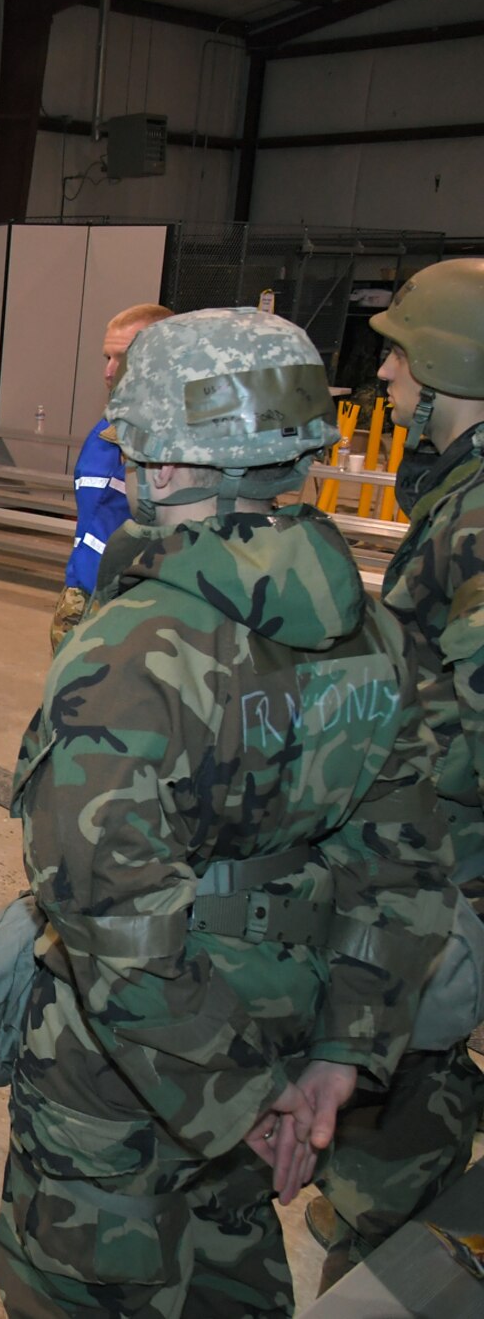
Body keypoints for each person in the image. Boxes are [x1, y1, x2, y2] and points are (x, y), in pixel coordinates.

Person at [0, 309, 454, 1319]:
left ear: (162, 465)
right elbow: (405, 869)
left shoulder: (129, 654)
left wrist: (245, 1096)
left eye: (128, 446)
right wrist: (336, 1060)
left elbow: (112, 927)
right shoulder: (370, 625)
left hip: (121, 1089)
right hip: (282, 1032)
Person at [300, 257, 484, 1287]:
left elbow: (458, 721)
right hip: (434, 841)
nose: (384, 376)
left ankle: (390, 1242)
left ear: (447, 363)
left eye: (400, 353)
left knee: (402, 1068)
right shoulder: (455, 491)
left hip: (442, 855)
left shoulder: (476, 512)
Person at [50, 303, 174, 651]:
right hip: (83, 594)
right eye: (106, 357)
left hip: (131, 610)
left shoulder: (174, 444)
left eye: (123, 358)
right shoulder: (108, 427)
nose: (109, 371)